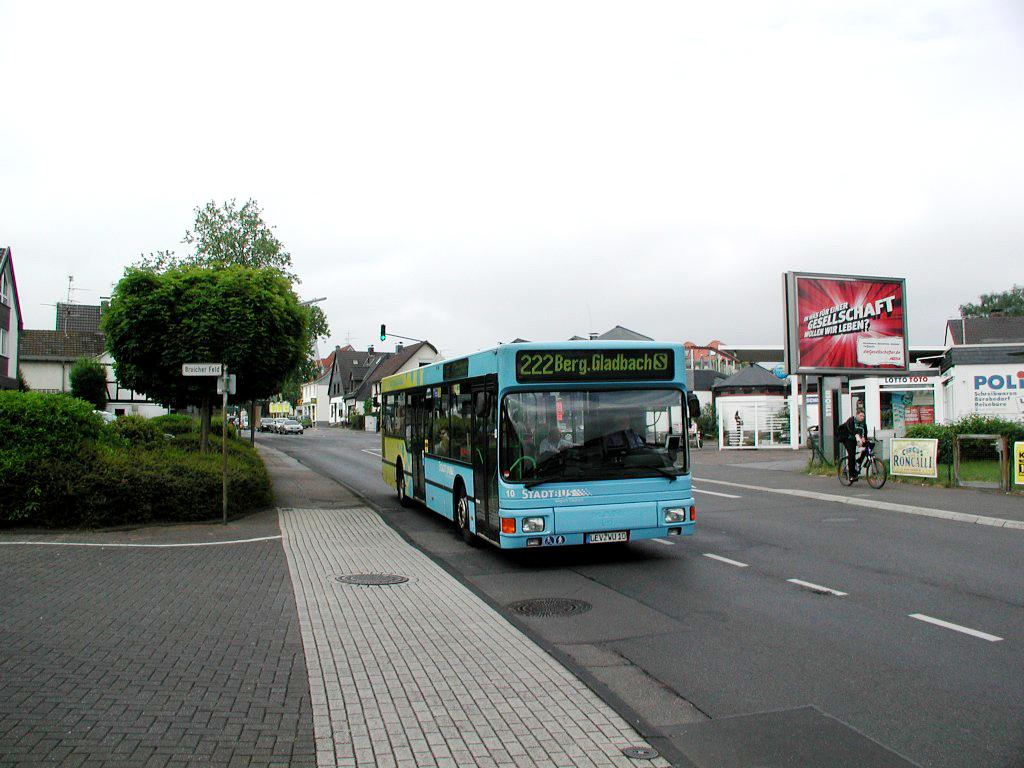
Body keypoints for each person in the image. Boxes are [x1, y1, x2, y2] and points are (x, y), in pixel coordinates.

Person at [837, 409, 868, 480]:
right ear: (856, 415)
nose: (862, 418)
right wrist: (857, 436)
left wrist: (864, 439)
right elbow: (851, 430)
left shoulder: (863, 424)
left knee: (870, 445)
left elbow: (865, 433)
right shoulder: (851, 421)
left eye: (863, 416)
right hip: (847, 438)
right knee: (852, 454)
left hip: (857, 439)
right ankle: (851, 474)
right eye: (860, 416)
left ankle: (859, 461)